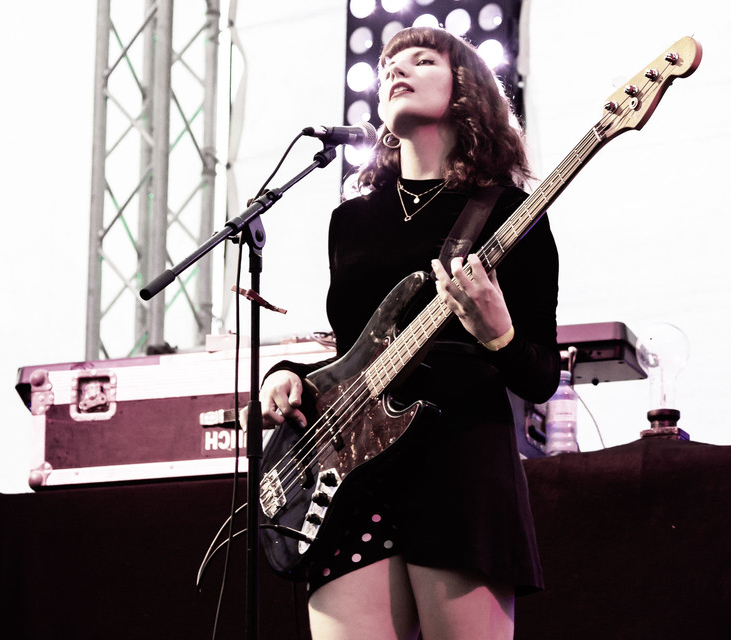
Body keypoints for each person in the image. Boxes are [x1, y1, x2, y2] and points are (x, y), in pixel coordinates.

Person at [258, 26, 560, 640]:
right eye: (389, 64)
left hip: (457, 462)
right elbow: (351, 354)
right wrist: (289, 377)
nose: (396, 69)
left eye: (422, 60)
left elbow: (541, 377)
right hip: (350, 476)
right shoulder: (352, 220)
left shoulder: (508, 210)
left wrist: (499, 335)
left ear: (466, 89)